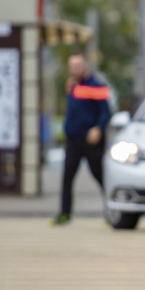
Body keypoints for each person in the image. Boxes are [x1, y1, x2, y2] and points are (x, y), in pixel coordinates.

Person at [51, 53, 111, 225]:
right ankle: (65, 214)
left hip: (91, 140)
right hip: (73, 140)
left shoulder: (97, 86)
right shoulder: (72, 86)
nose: (75, 69)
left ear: (85, 65)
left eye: (78, 65)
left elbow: (105, 112)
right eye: (72, 66)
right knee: (67, 178)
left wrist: (98, 128)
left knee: (100, 177)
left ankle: (112, 211)